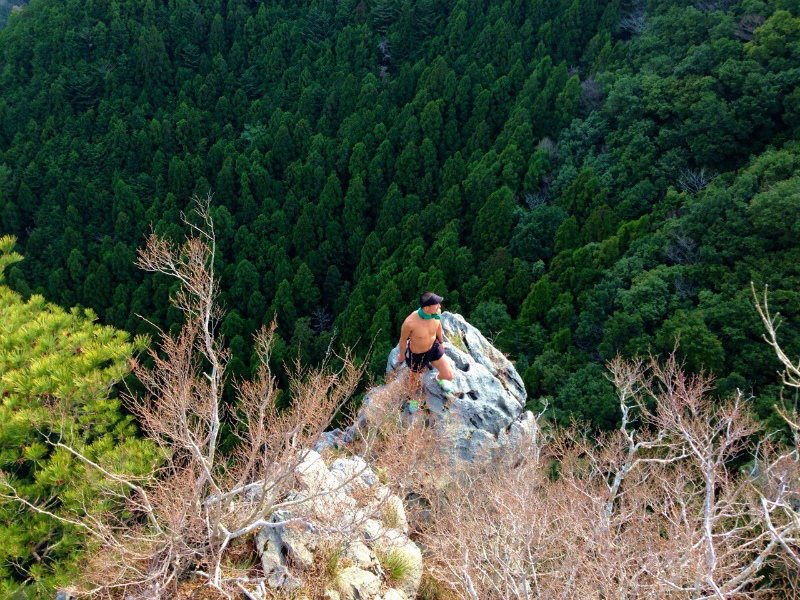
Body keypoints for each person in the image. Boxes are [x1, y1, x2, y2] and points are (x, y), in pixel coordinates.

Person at [396, 292, 456, 393]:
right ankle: (413, 400)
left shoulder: (437, 312)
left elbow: (438, 326)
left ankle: (439, 379)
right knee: (414, 383)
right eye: (436, 304)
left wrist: (441, 342)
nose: (439, 306)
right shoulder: (410, 323)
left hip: (433, 347)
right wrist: (402, 355)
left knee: (449, 376)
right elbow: (403, 339)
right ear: (426, 308)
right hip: (417, 355)